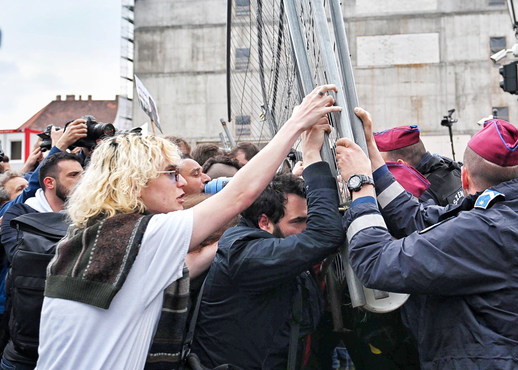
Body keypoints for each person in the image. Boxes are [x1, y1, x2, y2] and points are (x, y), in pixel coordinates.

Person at [34, 85, 341, 370]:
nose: (181, 182)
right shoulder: (144, 236)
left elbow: (188, 265)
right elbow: (240, 195)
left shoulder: (96, 235)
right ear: (132, 184)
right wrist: (297, 125)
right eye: (170, 173)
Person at [337, 113, 518, 369]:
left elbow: (376, 263)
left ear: (465, 177)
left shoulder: (483, 230)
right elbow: (419, 219)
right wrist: (373, 157)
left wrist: (360, 186)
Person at [190, 125, 344, 369]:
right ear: (264, 222)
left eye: (309, 219)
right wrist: (312, 156)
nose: (306, 228)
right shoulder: (246, 254)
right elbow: (324, 236)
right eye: (299, 221)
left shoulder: (267, 240)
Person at [0, 152, 83, 370]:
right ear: (49, 182)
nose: (83, 181)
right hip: (24, 347)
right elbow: (23, 259)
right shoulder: (20, 211)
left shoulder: (89, 215)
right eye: (74, 175)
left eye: (84, 174)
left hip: (72, 345)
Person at [373, 125, 464, 206]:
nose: (379, 168)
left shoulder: (419, 196)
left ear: (401, 164)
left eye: (383, 163)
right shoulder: (450, 166)